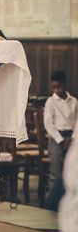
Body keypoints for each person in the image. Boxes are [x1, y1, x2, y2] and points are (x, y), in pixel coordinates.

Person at [43, 71, 76, 211]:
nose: (57, 90)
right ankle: (51, 205)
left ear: (64, 85)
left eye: (59, 87)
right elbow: (48, 124)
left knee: (73, 170)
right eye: (54, 88)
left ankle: (71, 203)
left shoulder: (74, 101)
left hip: (73, 138)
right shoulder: (50, 102)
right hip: (56, 138)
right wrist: (61, 141)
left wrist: (73, 140)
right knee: (55, 173)